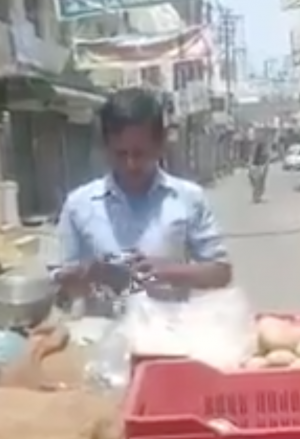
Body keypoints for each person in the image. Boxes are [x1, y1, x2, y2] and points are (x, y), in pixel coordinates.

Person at [54, 87, 232, 303]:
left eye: (140, 153)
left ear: (160, 145)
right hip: (104, 334)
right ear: (105, 147)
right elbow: (58, 284)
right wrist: (89, 274)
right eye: (121, 154)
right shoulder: (79, 205)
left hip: (168, 331)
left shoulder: (188, 198)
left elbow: (221, 273)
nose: (131, 164)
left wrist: (168, 271)